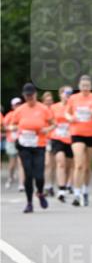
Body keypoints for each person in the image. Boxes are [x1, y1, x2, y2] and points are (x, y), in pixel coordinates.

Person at [65, 74, 92, 207]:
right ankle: (76, 194)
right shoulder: (73, 98)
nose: (85, 88)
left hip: (91, 135)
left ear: (91, 86)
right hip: (76, 133)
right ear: (79, 86)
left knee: (87, 166)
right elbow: (66, 113)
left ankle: (85, 190)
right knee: (79, 164)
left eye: (87, 86)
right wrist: (70, 118)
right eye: (83, 86)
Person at [13, 83, 54, 212]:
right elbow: (12, 125)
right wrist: (16, 129)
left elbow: (53, 124)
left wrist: (46, 129)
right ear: (24, 96)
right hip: (24, 146)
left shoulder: (43, 109)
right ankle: (29, 203)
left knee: (39, 175)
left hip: (39, 146)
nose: (29, 98)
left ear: (35, 95)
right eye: (27, 96)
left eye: (31, 95)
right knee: (28, 174)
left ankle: (40, 193)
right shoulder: (19, 110)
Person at [50, 86, 74, 202]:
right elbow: (48, 121)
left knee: (68, 166)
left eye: (70, 93)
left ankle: (65, 184)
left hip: (71, 138)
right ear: (60, 94)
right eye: (66, 93)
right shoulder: (53, 107)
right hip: (57, 137)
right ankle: (61, 189)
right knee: (61, 162)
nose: (68, 95)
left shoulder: (74, 107)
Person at [3, 98, 24, 190]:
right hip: (11, 140)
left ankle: (21, 183)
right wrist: (11, 128)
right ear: (12, 106)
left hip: (22, 140)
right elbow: (3, 127)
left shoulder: (23, 114)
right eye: (16, 104)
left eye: (19, 104)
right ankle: (10, 177)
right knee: (12, 163)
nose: (18, 106)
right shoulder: (9, 115)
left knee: (21, 162)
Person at [41, 91, 56, 196]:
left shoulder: (55, 110)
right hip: (44, 140)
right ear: (43, 101)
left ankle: (51, 186)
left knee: (53, 165)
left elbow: (57, 124)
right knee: (47, 164)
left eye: (50, 101)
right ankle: (46, 186)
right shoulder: (41, 110)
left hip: (55, 138)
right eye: (46, 101)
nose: (48, 103)